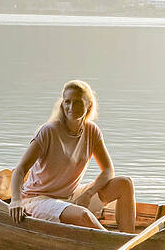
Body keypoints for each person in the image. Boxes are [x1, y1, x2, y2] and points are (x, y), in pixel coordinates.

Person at [7, 79, 138, 233]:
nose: (70, 107)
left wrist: (88, 194)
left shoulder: (92, 131)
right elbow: (20, 169)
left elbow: (108, 170)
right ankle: (116, 244)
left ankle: (129, 238)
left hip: (70, 197)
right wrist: (16, 201)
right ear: (62, 104)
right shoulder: (48, 131)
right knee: (84, 215)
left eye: (77, 102)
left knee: (124, 183)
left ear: (89, 104)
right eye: (67, 102)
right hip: (39, 200)